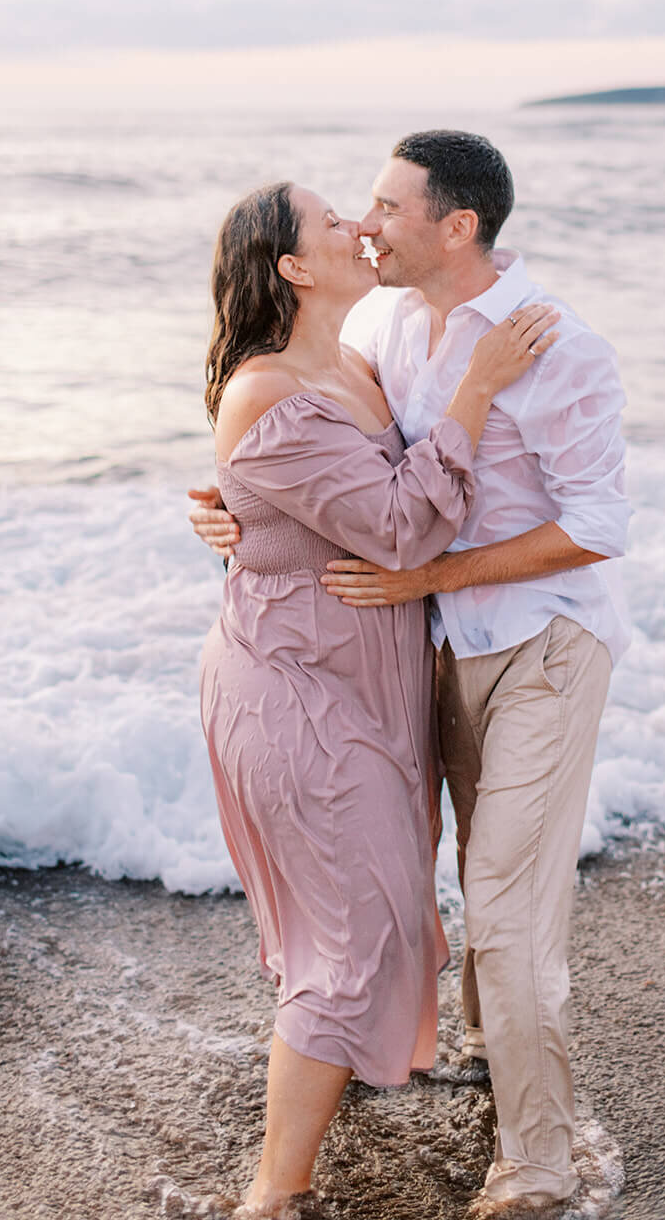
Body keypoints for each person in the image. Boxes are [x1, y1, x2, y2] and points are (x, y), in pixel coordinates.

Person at [191, 132, 631, 1215]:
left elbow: (594, 525)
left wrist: (428, 564)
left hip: (535, 642)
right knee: (435, 882)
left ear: (456, 226)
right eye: (350, 213)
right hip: (413, 652)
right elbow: (310, 460)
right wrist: (230, 503)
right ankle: (478, 1046)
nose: (366, 224)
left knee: (504, 903)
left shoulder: (553, 345)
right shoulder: (382, 330)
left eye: (383, 206)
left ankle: (536, 1159)